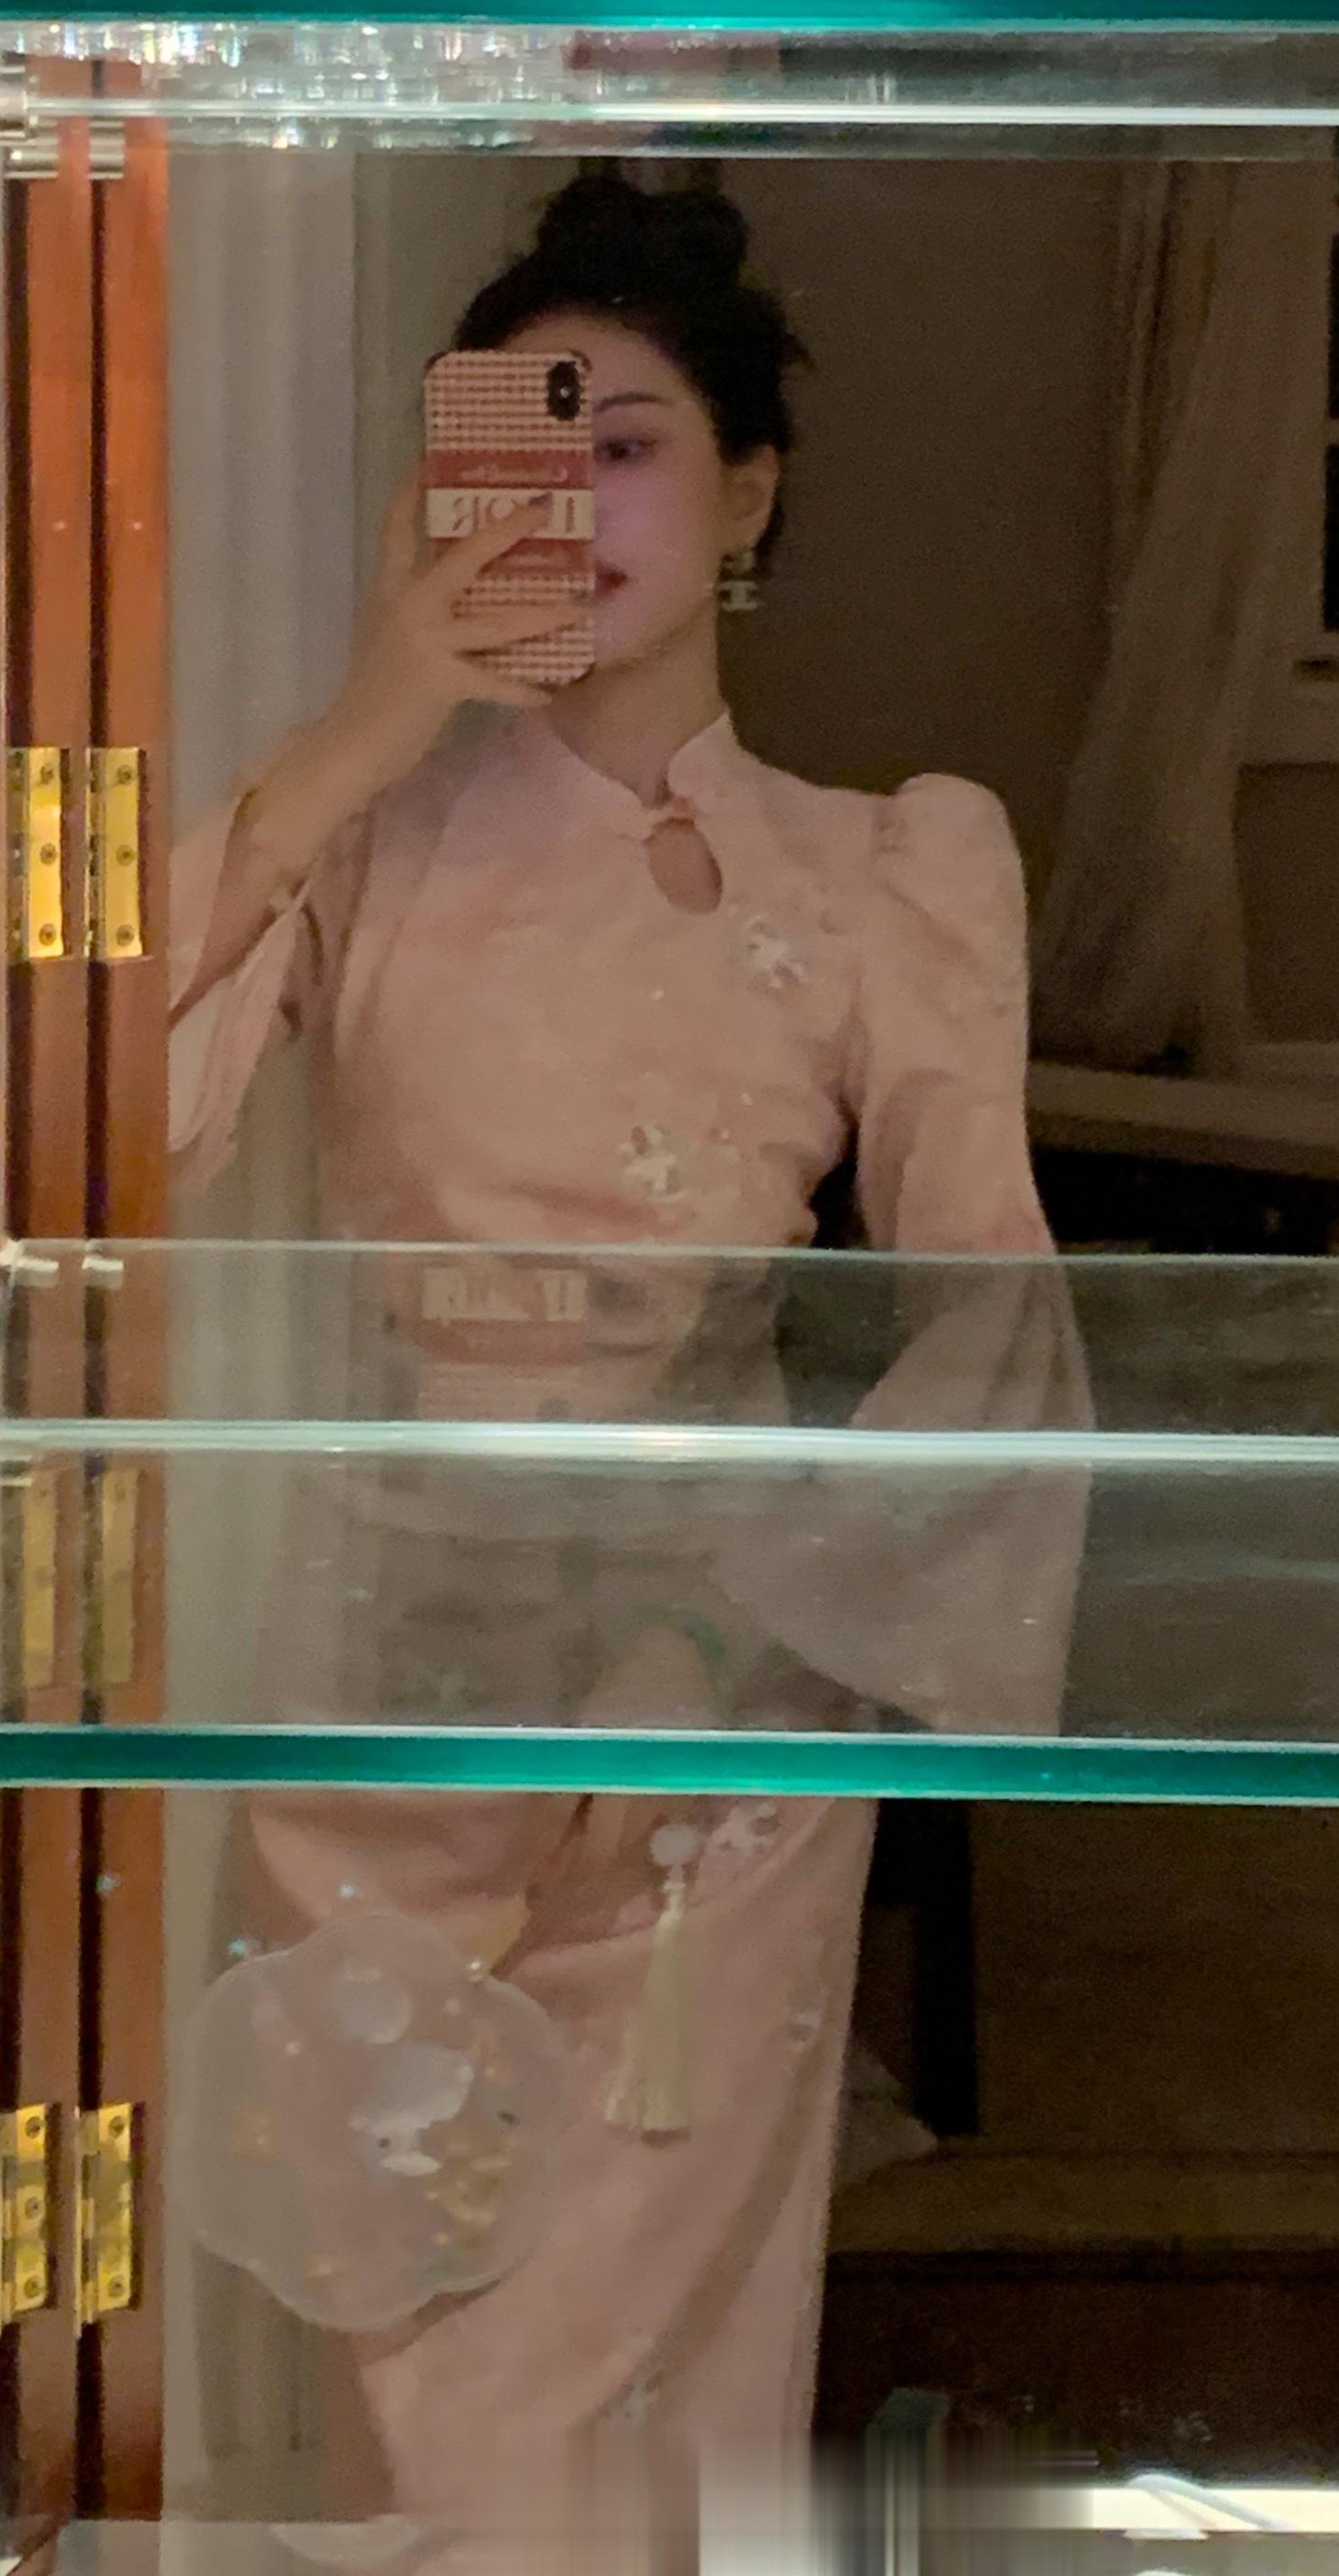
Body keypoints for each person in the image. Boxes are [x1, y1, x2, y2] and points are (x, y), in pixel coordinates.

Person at [170, 176, 1080, 2554]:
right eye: (516, 445)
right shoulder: (352, 833)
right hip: (390, 1667)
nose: (569, 500)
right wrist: (376, 710)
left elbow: (990, 1318)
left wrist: (758, 1621)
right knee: (413, 2326)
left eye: (632, 442)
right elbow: (84, 1110)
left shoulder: (886, 866)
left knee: (654, 2363)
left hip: (713, 1702)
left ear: (750, 493)